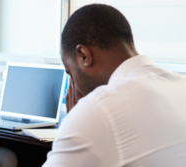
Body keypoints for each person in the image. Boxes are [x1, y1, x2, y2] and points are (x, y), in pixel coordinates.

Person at [43, 4, 186, 167]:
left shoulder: (97, 109)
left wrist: (75, 121)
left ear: (83, 56)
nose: (74, 84)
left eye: (70, 72)